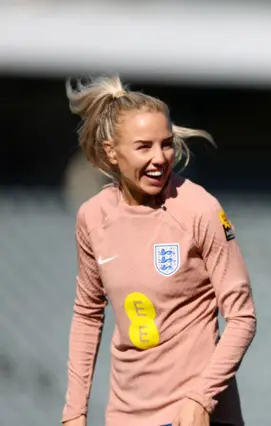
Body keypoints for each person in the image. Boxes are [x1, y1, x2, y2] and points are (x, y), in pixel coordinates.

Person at [60, 75, 257, 426]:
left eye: (166, 144)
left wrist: (201, 397)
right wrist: (74, 411)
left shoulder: (201, 209)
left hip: (194, 412)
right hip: (126, 415)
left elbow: (242, 318)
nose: (159, 158)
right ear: (111, 152)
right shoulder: (92, 217)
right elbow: (88, 315)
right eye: (144, 146)